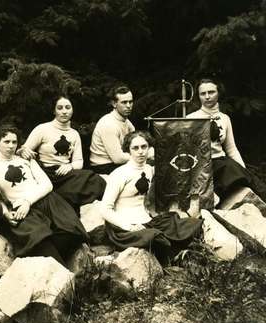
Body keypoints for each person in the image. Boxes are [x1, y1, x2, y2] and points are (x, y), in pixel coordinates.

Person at [0, 124, 88, 268]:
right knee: (38, 237)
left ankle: (45, 257)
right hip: (21, 209)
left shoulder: (26, 159)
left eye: (14, 142)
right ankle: (65, 277)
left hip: (46, 200)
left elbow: (47, 184)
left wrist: (28, 201)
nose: (11, 146)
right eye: (6, 142)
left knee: (73, 231)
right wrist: (6, 213)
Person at [96, 131, 202, 264]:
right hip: (125, 228)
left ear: (149, 148)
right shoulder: (119, 174)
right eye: (135, 148)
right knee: (154, 236)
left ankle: (181, 255)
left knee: (191, 224)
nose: (140, 151)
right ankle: (175, 259)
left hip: (147, 221)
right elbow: (105, 209)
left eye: (144, 146)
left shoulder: (150, 169)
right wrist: (128, 226)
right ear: (128, 150)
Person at [18, 95, 106, 211]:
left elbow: (79, 162)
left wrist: (69, 166)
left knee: (94, 179)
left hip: (65, 175)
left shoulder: (74, 134)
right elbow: (24, 150)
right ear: (54, 111)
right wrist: (23, 151)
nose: (64, 111)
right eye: (60, 108)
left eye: (67, 107)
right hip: (46, 174)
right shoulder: (42, 129)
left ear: (72, 110)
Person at [187, 78, 266, 202]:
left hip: (222, 163)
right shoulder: (190, 118)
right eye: (203, 93)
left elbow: (231, 148)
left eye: (211, 92)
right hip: (201, 165)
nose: (207, 97)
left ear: (218, 93)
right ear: (198, 96)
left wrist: (243, 170)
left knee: (251, 180)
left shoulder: (225, 118)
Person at [89, 85, 135, 175]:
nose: (129, 106)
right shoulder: (108, 124)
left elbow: (135, 144)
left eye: (131, 102)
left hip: (116, 164)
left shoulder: (126, 122)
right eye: (124, 102)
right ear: (114, 104)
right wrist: (143, 155)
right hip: (103, 167)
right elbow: (118, 159)